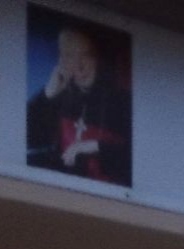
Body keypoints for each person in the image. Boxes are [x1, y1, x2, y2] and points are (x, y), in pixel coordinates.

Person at [26, 22, 132, 185]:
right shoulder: (61, 95)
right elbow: (28, 140)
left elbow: (139, 161)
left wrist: (95, 146)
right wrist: (47, 95)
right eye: (70, 56)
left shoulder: (123, 102)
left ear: (99, 58)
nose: (80, 66)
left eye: (86, 55)